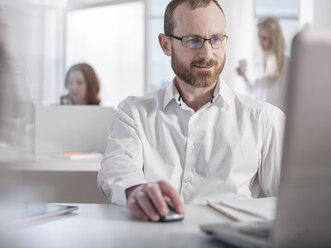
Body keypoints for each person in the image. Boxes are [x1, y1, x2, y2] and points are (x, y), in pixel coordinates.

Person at [98, 0, 285, 222]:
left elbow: (291, 201)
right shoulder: (133, 113)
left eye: (216, 39)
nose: (207, 53)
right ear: (166, 45)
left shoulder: (265, 120)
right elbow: (116, 168)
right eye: (193, 40)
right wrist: (135, 189)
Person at [236, 17, 289, 112]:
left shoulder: (287, 63)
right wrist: (244, 77)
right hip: (261, 119)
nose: (260, 42)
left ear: (274, 39)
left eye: (264, 38)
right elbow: (254, 93)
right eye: (259, 37)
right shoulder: (259, 63)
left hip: (278, 120)